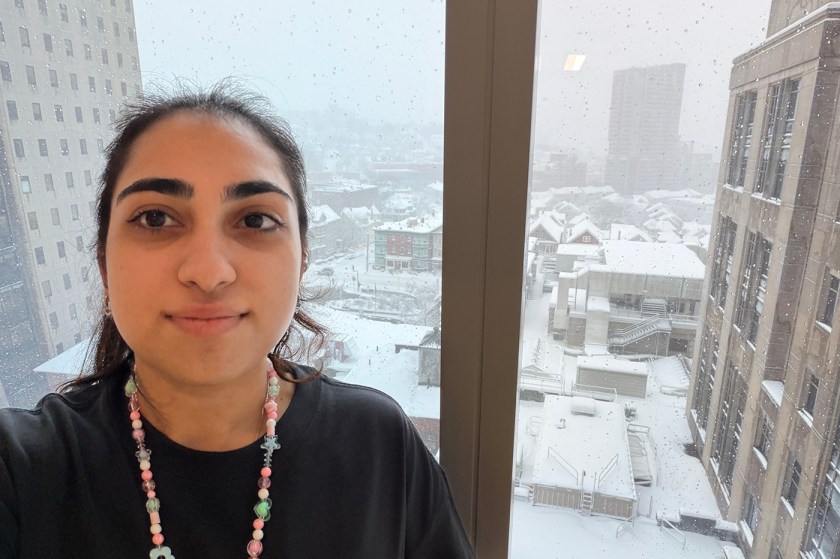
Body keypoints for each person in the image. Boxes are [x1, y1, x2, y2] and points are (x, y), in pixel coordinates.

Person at [0, 83, 474, 559]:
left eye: (254, 221)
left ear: (303, 260)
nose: (208, 273)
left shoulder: (378, 447)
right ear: (104, 263)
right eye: (156, 219)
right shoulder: (23, 469)